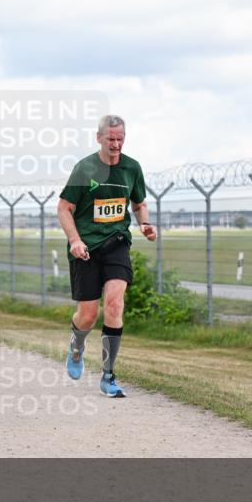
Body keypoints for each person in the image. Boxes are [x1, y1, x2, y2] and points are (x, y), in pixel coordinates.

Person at [56, 115, 156, 399]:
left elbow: (139, 204)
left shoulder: (131, 167)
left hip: (117, 243)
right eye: (110, 139)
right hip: (85, 248)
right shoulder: (85, 168)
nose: (115, 144)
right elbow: (64, 208)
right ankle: (76, 347)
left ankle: (109, 375)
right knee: (87, 316)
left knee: (114, 304)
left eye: (120, 139)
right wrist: (74, 240)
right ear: (98, 137)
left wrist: (145, 223)